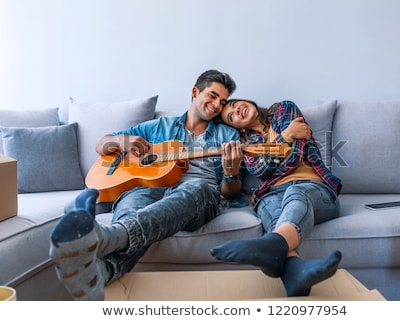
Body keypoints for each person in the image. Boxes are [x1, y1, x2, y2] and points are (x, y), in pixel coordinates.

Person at [49, 70, 245, 300]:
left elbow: (230, 193)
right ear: (195, 92)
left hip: (198, 195)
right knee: (134, 202)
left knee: (198, 188)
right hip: (149, 189)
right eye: (212, 96)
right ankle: (103, 273)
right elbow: (102, 144)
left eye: (222, 102)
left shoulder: (228, 135)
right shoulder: (158, 127)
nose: (216, 105)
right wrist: (125, 141)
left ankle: (109, 237)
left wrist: (231, 174)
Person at [210, 99, 343, 297]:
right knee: (270, 208)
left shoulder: (283, 109)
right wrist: (287, 136)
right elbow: (260, 170)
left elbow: (294, 157)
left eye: (236, 104)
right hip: (271, 195)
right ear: (236, 126)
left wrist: (269, 172)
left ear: (247, 101)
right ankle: (296, 273)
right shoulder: (245, 145)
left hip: (315, 188)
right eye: (231, 116)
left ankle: (271, 244)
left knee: (295, 192)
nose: (237, 110)